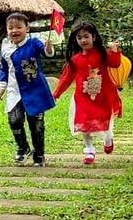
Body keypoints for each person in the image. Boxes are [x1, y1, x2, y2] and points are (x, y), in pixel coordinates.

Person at [52, 20, 123, 164]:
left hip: (102, 96)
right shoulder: (75, 60)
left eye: (86, 36)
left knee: (104, 119)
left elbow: (115, 63)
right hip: (82, 98)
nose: (83, 40)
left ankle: (108, 138)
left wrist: (115, 51)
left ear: (94, 37)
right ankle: (89, 149)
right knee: (83, 123)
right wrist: (56, 94)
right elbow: (66, 78)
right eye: (79, 38)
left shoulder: (103, 54)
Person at [0, 12, 57, 166]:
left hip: (35, 90)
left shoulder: (34, 43)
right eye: (10, 28)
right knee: (14, 120)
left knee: (36, 125)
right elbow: (4, 68)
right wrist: (1, 85)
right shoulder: (6, 47)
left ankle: (39, 154)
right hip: (14, 90)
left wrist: (49, 49)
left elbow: (46, 52)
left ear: (27, 28)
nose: (14, 31)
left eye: (18, 27)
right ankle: (23, 148)